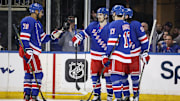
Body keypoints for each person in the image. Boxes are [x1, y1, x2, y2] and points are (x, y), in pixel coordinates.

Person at [19, 3, 63, 101]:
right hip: (30, 51)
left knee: (30, 74)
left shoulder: (37, 23)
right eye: (41, 12)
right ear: (36, 11)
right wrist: (28, 51)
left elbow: (42, 38)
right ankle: (34, 95)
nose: (42, 14)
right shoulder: (28, 20)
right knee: (38, 74)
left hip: (30, 51)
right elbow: (24, 37)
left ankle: (27, 95)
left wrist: (52, 36)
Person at [72, 7, 113, 101]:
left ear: (106, 16)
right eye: (98, 14)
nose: (98, 16)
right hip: (95, 56)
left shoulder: (110, 27)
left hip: (106, 57)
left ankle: (110, 96)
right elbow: (84, 33)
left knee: (108, 77)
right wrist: (78, 38)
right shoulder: (93, 25)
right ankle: (96, 95)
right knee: (94, 76)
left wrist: (108, 55)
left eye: (101, 15)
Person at [102, 5, 132, 101]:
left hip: (118, 55)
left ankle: (118, 98)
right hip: (127, 55)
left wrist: (106, 55)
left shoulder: (114, 24)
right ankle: (126, 96)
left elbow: (112, 41)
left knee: (115, 77)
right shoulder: (126, 24)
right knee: (123, 78)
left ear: (114, 14)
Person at [123, 8, 150, 101]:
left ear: (127, 16)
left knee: (135, 77)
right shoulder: (120, 24)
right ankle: (126, 96)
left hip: (134, 55)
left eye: (123, 14)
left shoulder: (135, 24)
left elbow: (144, 40)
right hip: (123, 56)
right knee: (123, 77)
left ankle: (135, 96)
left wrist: (144, 52)